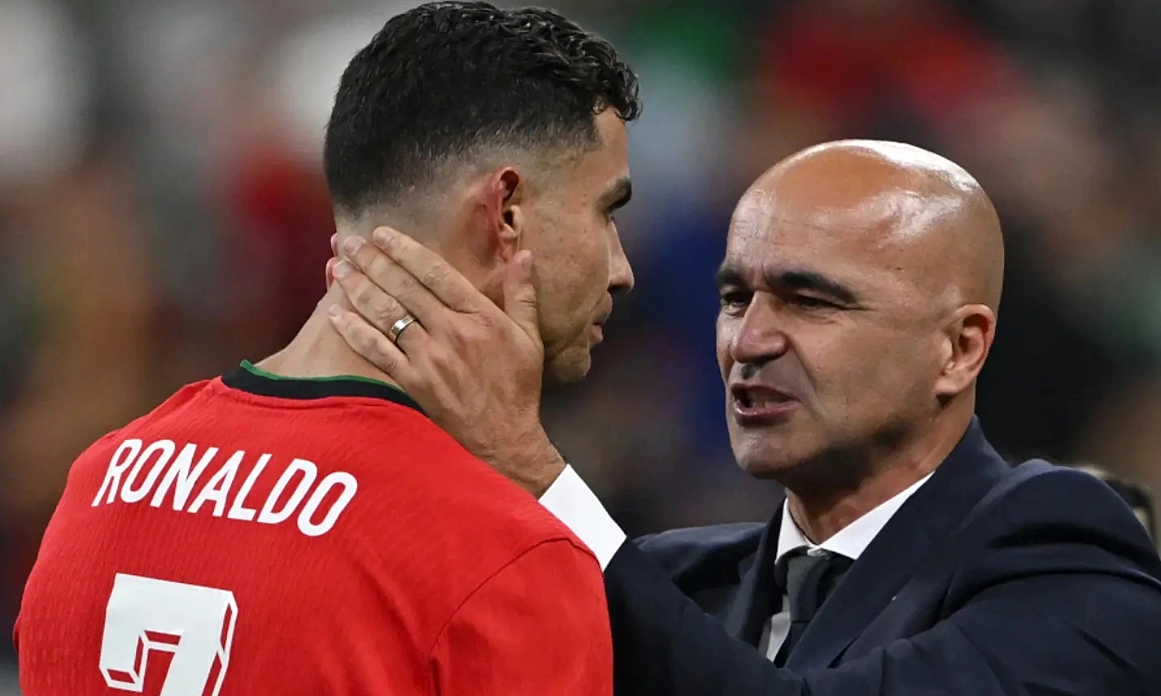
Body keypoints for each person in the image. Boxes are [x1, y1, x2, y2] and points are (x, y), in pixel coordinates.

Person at [325, 139, 1161, 695]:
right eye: (734, 298)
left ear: (958, 348)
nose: (748, 341)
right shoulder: (676, 580)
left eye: (810, 300)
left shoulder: (1063, 553)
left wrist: (524, 460)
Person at [16, 2, 640, 694]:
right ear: (506, 214)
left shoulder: (99, 486)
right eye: (606, 211)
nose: (621, 268)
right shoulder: (509, 558)